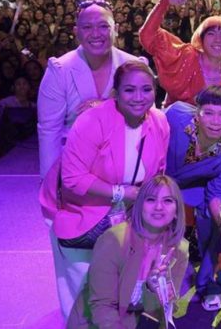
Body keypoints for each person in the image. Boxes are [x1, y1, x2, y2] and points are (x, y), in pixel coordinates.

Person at [37, 0, 145, 317]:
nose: (95, 33)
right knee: (74, 254)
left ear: (116, 29)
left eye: (103, 26)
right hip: (74, 176)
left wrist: (104, 108)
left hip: (123, 173)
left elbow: (145, 119)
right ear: (76, 32)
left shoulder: (134, 65)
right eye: (87, 26)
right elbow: (48, 130)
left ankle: (117, 312)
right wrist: (51, 187)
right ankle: (78, 316)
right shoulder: (60, 70)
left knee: (122, 250)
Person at [40, 60, 170, 319]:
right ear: (116, 93)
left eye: (146, 89)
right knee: (81, 293)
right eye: (129, 90)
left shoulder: (160, 122)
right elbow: (73, 179)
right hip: (80, 213)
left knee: (116, 292)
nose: (138, 97)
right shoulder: (92, 120)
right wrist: (121, 193)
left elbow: (158, 174)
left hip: (126, 218)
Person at [68, 175, 189, 329]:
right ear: (140, 206)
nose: (159, 207)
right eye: (151, 199)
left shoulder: (179, 250)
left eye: (167, 200)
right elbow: (102, 306)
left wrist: (152, 290)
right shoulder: (114, 240)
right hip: (94, 323)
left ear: (177, 210)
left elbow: (162, 311)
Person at [165, 86, 221, 312]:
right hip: (157, 179)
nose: (215, 121)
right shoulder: (175, 115)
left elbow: (217, 192)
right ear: (197, 112)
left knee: (220, 226)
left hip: (196, 187)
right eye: (208, 113)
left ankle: (213, 287)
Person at [139, 0, 221, 120]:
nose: (218, 39)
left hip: (212, 140)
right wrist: (165, 1)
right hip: (174, 135)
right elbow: (147, 36)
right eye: (211, 33)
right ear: (201, 39)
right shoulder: (185, 55)